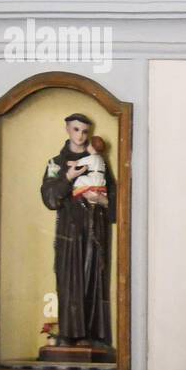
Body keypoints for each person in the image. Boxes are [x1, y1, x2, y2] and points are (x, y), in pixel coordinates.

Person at [40, 113, 115, 350]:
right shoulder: (56, 163)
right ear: (67, 130)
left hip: (95, 230)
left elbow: (115, 197)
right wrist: (68, 177)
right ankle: (70, 333)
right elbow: (50, 198)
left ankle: (93, 335)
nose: (80, 135)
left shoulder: (98, 160)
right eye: (76, 129)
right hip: (69, 232)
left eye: (84, 131)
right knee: (69, 278)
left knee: (94, 278)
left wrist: (102, 201)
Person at [70, 136, 110, 201]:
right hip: (101, 181)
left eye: (88, 145)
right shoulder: (101, 159)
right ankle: (98, 194)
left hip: (93, 178)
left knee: (80, 179)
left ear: (92, 147)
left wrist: (73, 163)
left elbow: (80, 162)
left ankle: (77, 194)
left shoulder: (92, 157)